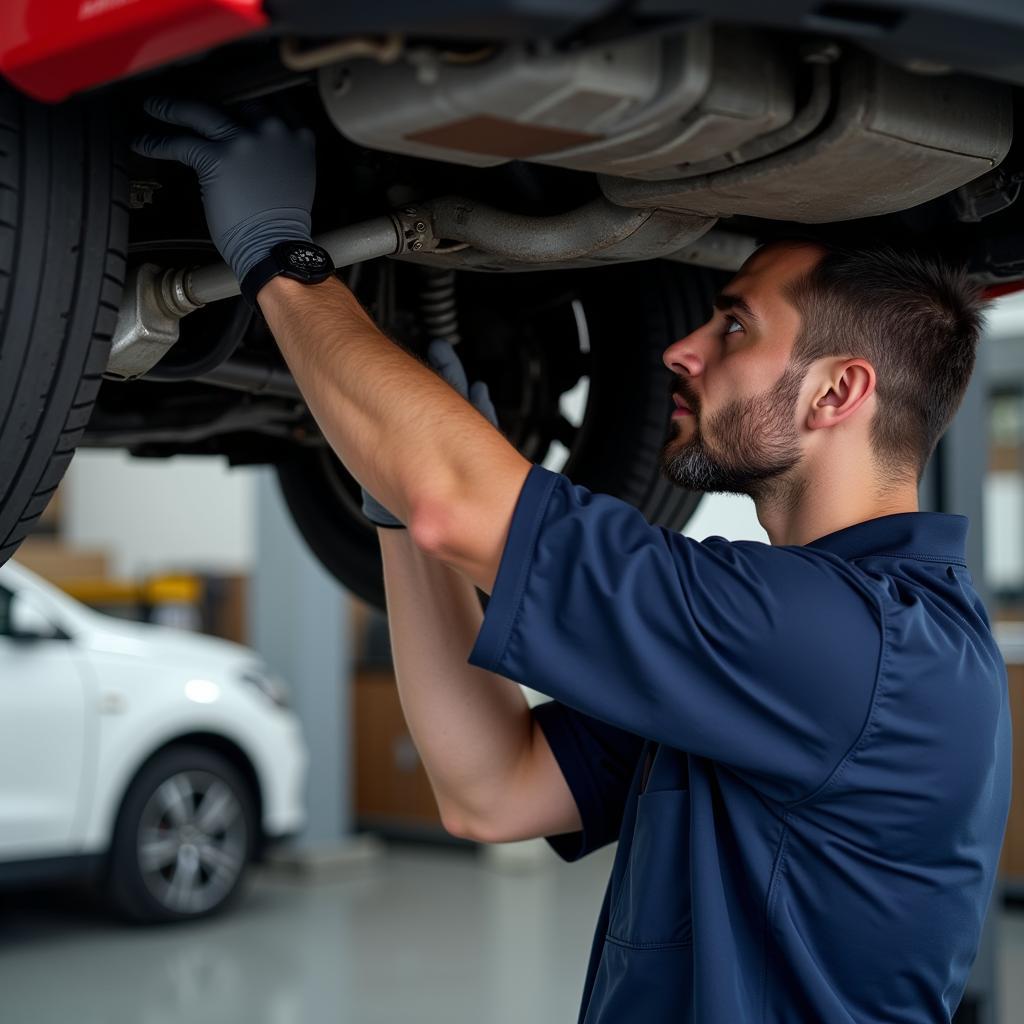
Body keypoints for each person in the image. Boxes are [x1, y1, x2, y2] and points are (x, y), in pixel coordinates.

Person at [133, 99, 1011, 1023]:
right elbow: (492, 791)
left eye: (735, 329)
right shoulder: (815, 650)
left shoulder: (846, 646)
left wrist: (281, 256)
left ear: (838, 391)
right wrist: (397, 513)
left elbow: (459, 505)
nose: (682, 349)